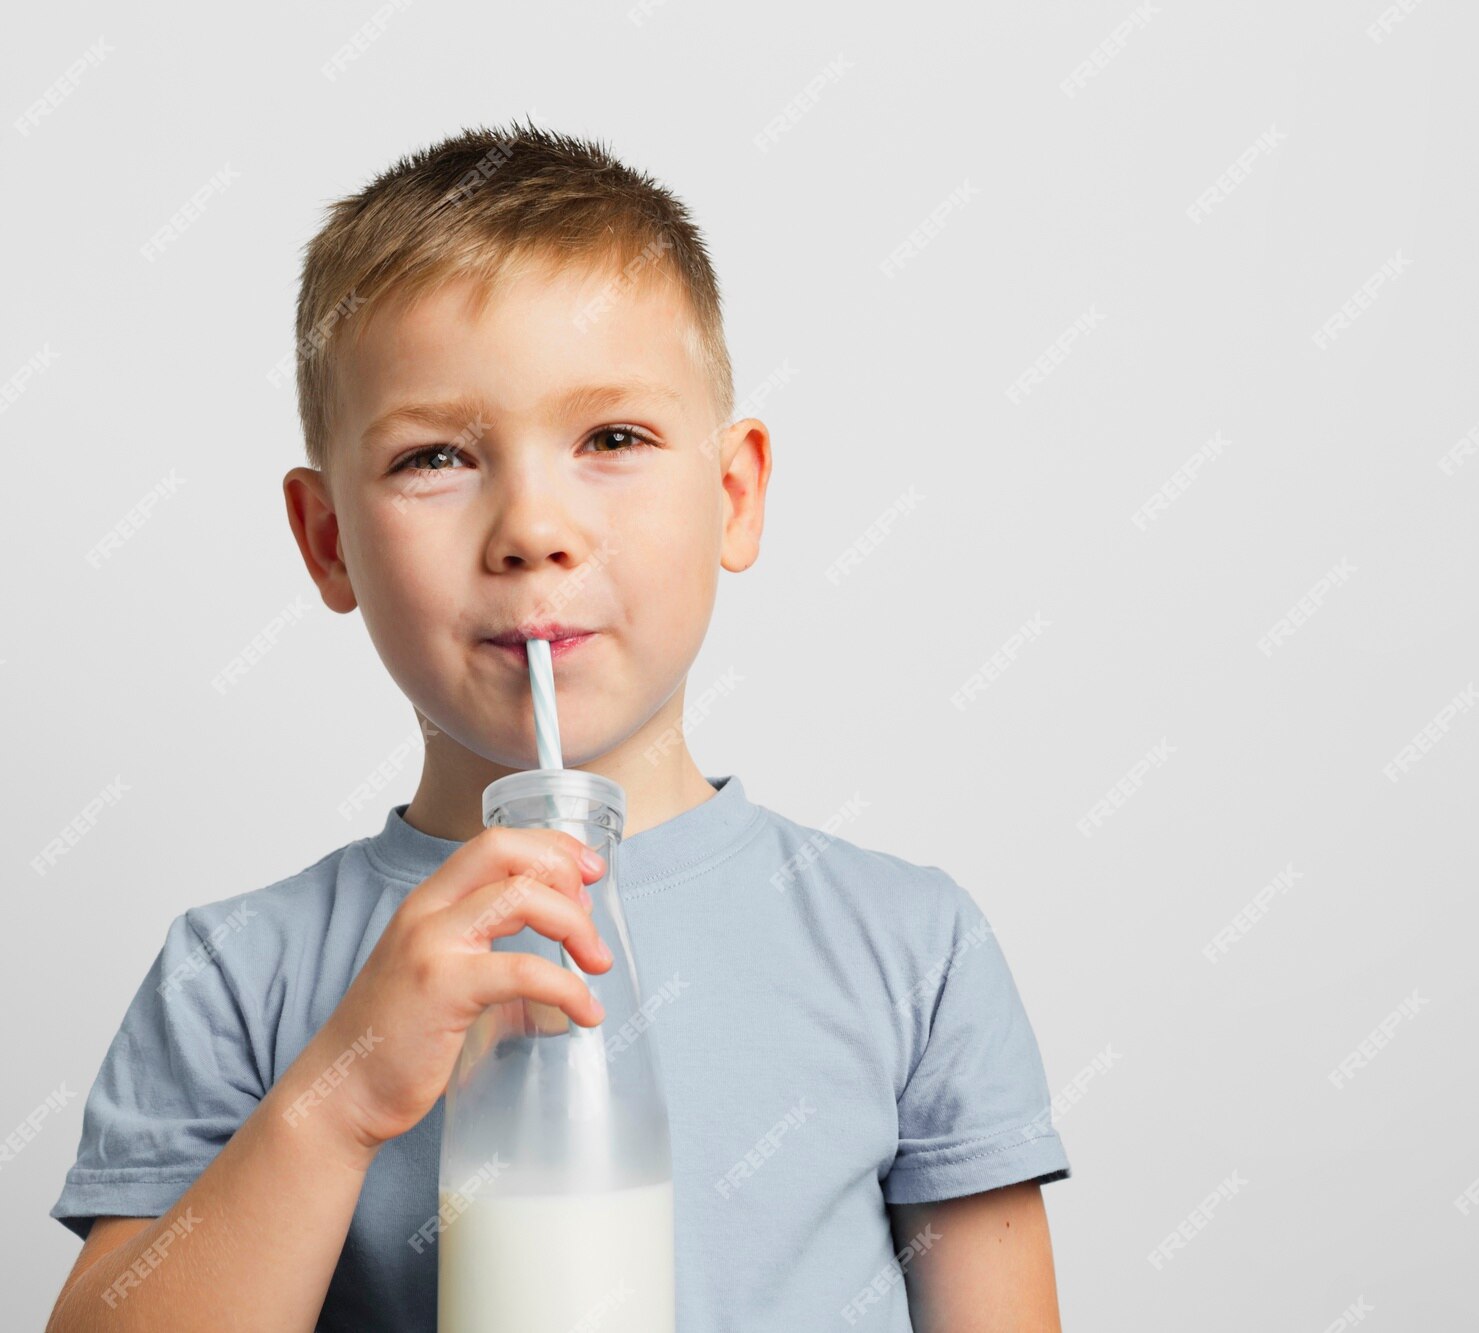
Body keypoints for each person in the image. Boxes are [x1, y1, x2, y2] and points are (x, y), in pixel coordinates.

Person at [45, 120, 1069, 1331]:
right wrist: (341, 1092)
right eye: (435, 457)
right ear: (328, 541)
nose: (533, 526)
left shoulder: (910, 950)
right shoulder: (238, 978)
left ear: (733, 495)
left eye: (612, 439)